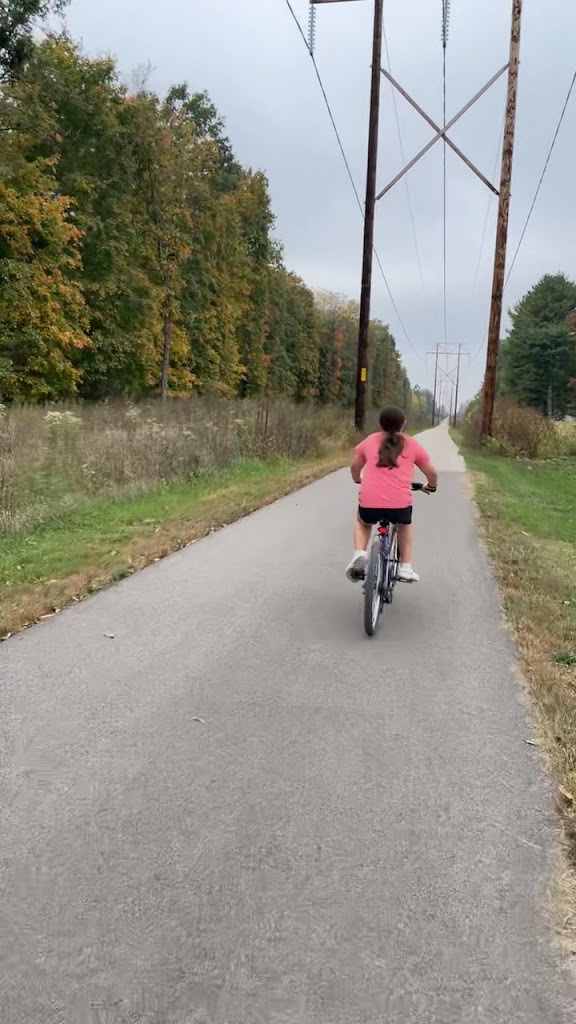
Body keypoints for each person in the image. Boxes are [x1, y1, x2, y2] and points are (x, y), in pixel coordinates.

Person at [346, 405, 438, 583]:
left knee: (363, 522)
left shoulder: (370, 441)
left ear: (381, 424)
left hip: (369, 503)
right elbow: (432, 473)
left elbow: (354, 468)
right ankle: (406, 567)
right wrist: (431, 486)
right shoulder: (411, 444)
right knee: (404, 525)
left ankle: (359, 554)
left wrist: (358, 479)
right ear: (403, 424)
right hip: (399, 505)